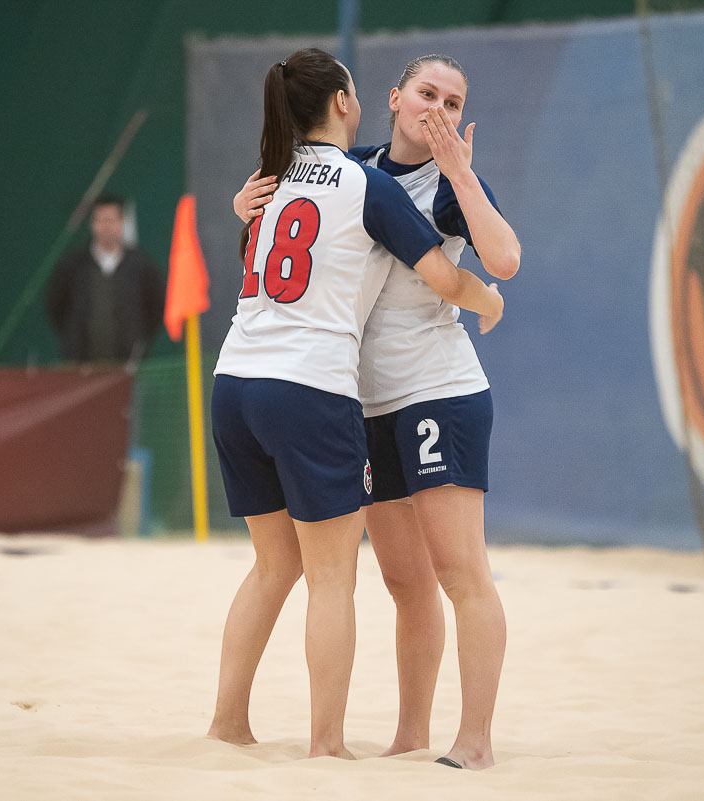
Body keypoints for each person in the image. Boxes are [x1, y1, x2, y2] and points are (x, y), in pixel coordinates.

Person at [207, 47, 504, 761]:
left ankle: (468, 741)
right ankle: (348, 743)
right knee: (374, 580)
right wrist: (486, 300)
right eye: (427, 93)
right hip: (333, 393)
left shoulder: (296, 176)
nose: (439, 110)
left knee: (437, 575)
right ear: (376, 100)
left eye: (454, 102)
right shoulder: (363, 175)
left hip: (381, 386)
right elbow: (442, 275)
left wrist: (465, 183)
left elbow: (504, 257)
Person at [45, 194, 165, 365]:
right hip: (81, 366)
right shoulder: (73, 265)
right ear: (92, 224)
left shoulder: (141, 265)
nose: (106, 227)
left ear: (122, 223)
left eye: (111, 220)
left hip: (128, 366)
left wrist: (137, 342)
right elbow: (55, 306)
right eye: (101, 220)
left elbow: (156, 308)